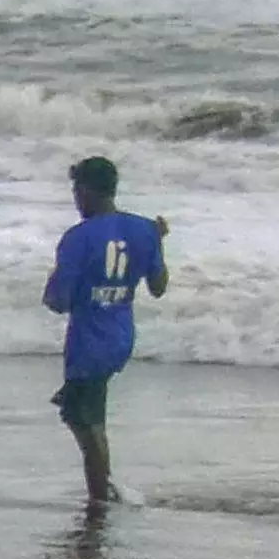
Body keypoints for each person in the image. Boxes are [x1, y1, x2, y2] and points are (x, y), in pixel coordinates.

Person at [46, 153, 170, 512]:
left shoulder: (78, 238)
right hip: (121, 335)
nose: (75, 199)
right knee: (78, 411)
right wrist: (158, 243)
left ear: (86, 191)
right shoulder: (145, 230)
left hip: (88, 342)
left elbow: (57, 300)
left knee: (87, 420)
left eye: (76, 191)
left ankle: (102, 497)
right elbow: (159, 286)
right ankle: (103, 488)